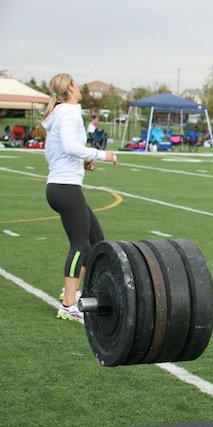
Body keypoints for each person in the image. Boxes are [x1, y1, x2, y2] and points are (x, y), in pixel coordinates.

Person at [41, 73, 118, 320]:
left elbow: (57, 152)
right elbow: (69, 146)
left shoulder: (61, 113)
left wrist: (82, 162)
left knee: (96, 240)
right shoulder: (68, 112)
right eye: (77, 83)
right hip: (65, 188)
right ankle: (67, 304)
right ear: (71, 88)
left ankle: (74, 291)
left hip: (63, 185)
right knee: (80, 245)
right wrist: (101, 155)